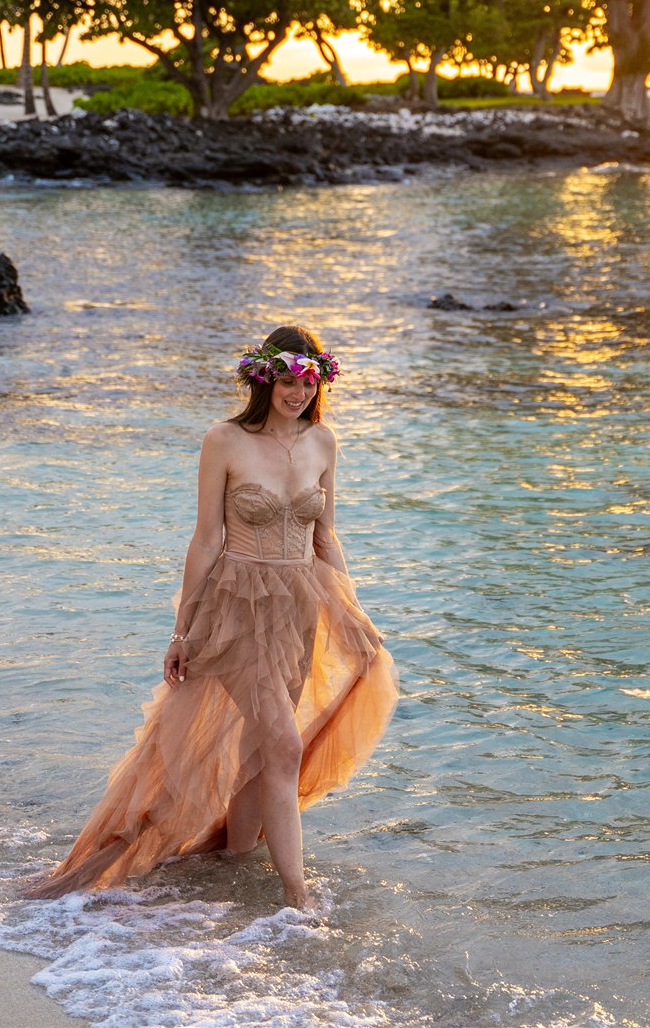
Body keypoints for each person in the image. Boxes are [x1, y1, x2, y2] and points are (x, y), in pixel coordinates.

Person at [22, 325, 398, 909]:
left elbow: (325, 536)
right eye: (285, 381)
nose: (296, 393)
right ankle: (297, 894)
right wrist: (182, 630)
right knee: (284, 744)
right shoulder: (224, 440)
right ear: (262, 378)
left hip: (300, 602)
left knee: (264, 745)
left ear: (319, 381)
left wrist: (353, 612)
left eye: (306, 382)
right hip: (237, 606)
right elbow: (204, 541)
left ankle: (235, 856)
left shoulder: (323, 442)